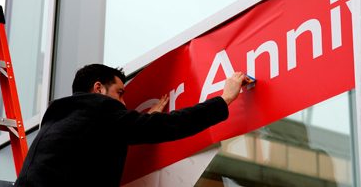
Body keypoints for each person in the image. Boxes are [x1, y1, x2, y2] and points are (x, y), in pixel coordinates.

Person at [14, 64, 247, 187]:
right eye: (120, 93)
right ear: (98, 89)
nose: (123, 103)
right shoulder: (99, 110)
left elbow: (95, 145)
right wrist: (224, 99)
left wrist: (136, 123)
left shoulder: (60, 119)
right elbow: (170, 125)